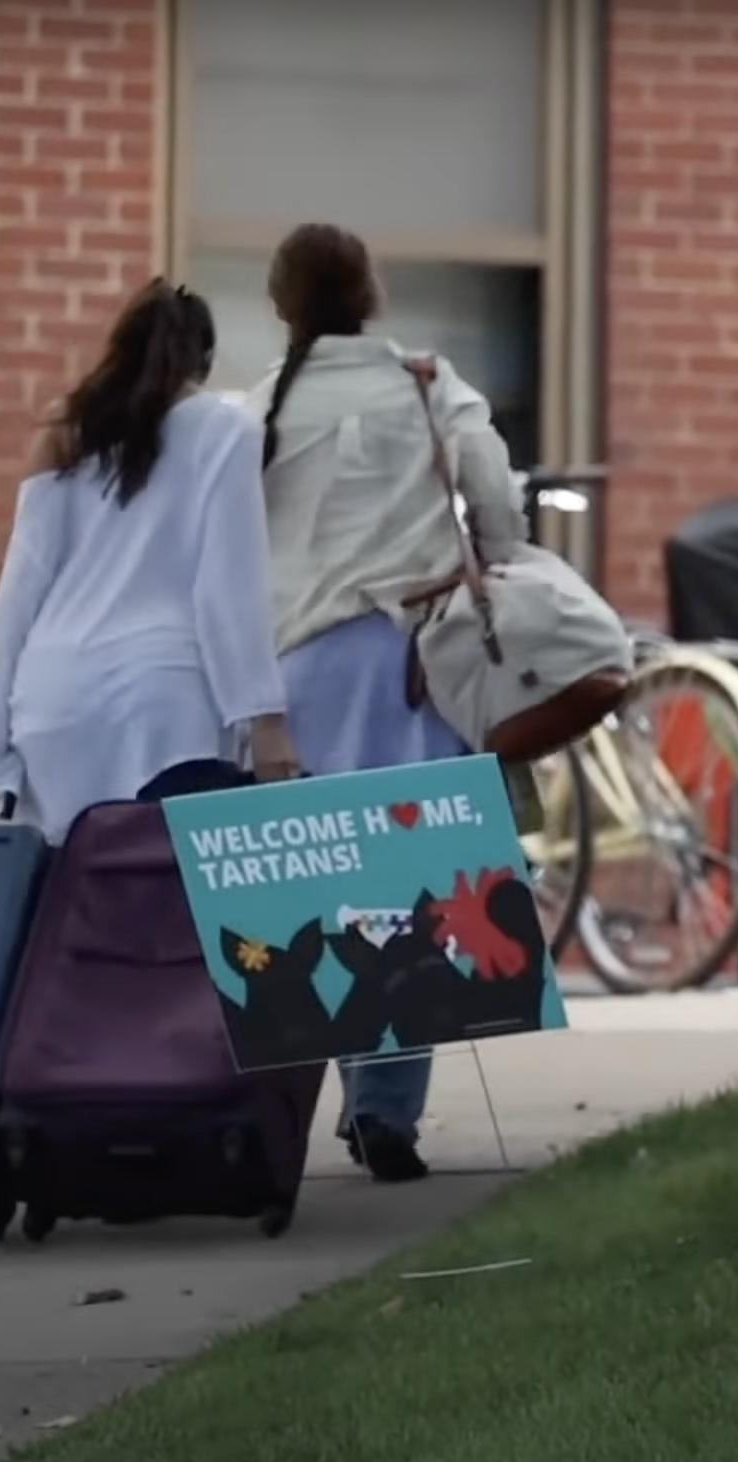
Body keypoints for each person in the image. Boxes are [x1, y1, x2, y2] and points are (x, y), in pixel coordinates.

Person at [241, 223, 528, 1185]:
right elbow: (494, 499)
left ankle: (273, 1127)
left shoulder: (256, 410)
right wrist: (499, 561)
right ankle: (384, 1114)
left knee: (297, 911)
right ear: (374, 294)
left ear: (282, 306)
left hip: (289, 677)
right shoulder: (427, 382)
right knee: (413, 898)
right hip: (409, 667)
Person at [0, 279, 300, 843]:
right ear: (203, 361)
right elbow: (228, 591)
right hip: (163, 704)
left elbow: (20, 589)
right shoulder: (227, 431)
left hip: (53, 696)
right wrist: (265, 717)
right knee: (158, 903)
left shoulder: (68, 431)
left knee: (68, 906)